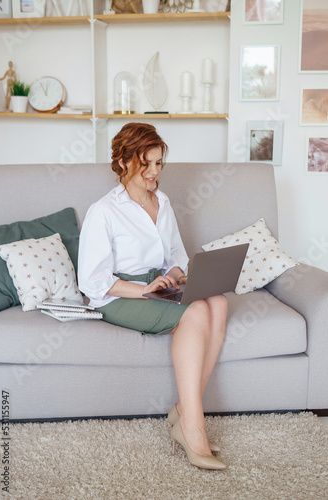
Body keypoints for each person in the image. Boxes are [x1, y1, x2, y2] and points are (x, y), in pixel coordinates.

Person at [78, 123, 228, 470]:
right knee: (196, 314)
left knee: (217, 302)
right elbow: (93, 281)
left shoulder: (163, 201)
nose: (153, 173)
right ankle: (192, 427)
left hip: (155, 285)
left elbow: (176, 256)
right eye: (144, 164)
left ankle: (181, 411)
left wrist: (174, 276)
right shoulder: (104, 211)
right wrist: (144, 290)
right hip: (118, 294)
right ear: (122, 162)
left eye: (159, 163)